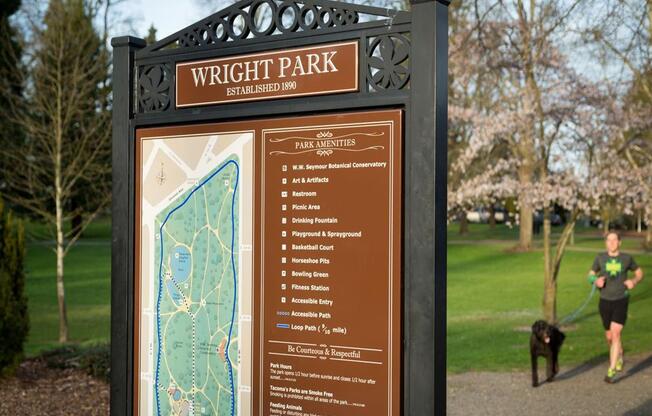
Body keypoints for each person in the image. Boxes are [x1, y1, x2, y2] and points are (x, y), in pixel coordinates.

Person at [588, 231, 644, 383]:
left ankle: (611, 370)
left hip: (621, 300)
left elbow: (639, 273)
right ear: (605, 243)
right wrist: (595, 280)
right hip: (605, 301)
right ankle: (619, 353)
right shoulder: (600, 258)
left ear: (620, 242)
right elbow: (590, 274)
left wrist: (634, 281)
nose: (612, 243)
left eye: (614, 240)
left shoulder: (627, 258)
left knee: (616, 333)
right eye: (609, 240)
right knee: (609, 336)